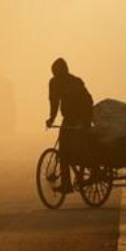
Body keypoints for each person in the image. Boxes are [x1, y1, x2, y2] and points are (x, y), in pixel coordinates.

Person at [45, 57, 94, 193]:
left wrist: (85, 121)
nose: (57, 75)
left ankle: (90, 169)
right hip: (69, 118)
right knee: (63, 151)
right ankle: (66, 184)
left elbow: (88, 101)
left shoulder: (75, 82)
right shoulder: (54, 83)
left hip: (81, 117)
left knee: (80, 146)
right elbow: (54, 102)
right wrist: (51, 118)